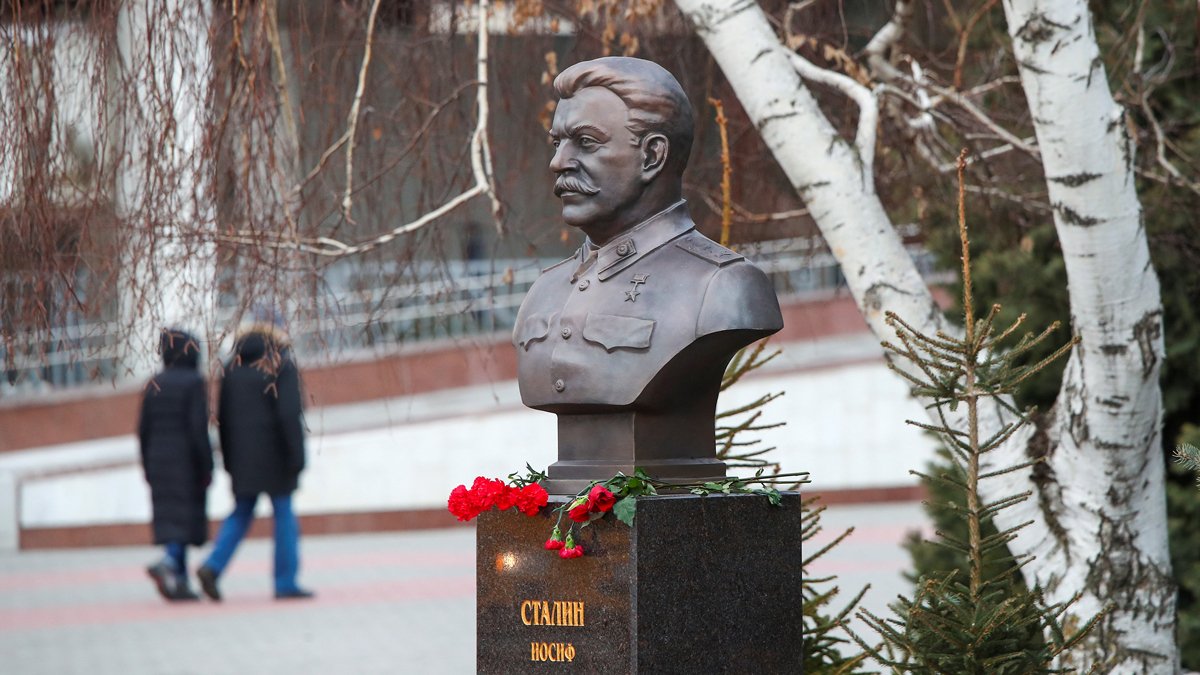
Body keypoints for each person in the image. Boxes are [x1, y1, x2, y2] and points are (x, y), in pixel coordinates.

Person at [512, 57, 783, 493]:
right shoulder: (545, 289)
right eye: (557, 143)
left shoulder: (723, 285)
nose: (558, 162)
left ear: (652, 156)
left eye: (585, 142)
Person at [196, 321, 313, 600]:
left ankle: (213, 566)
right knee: (283, 513)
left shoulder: (231, 368)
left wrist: (228, 460)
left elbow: (222, 420)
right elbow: (288, 414)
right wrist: (297, 455)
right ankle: (285, 582)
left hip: (243, 458)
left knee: (241, 512)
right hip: (277, 457)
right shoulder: (280, 365)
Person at [139, 328, 213, 602]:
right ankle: (170, 563)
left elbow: (143, 429)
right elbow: (198, 429)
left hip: (158, 461)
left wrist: (147, 465)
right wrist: (207, 466)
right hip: (185, 462)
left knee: (172, 519)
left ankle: (179, 582)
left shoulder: (154, 384)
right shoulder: (193, 382)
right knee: (183, 519)